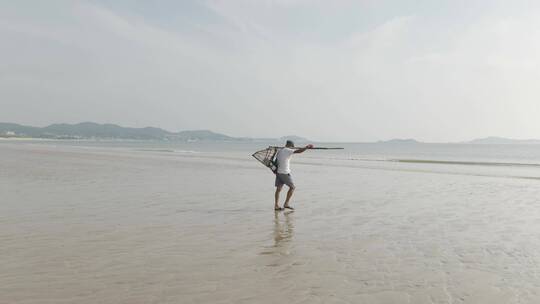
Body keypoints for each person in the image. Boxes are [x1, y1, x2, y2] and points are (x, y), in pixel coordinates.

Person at [274, 140, 313, 211]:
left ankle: (276, 205)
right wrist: (307, 147)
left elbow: (276, 161)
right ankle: (286, 204)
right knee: (292, 187)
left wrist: (275, 171)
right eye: (293, 147)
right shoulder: (288, 150)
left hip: (278, 172)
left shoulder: (280, 150)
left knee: (278, 189)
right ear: (291, 146)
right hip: (285, 172)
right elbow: (299, 151)